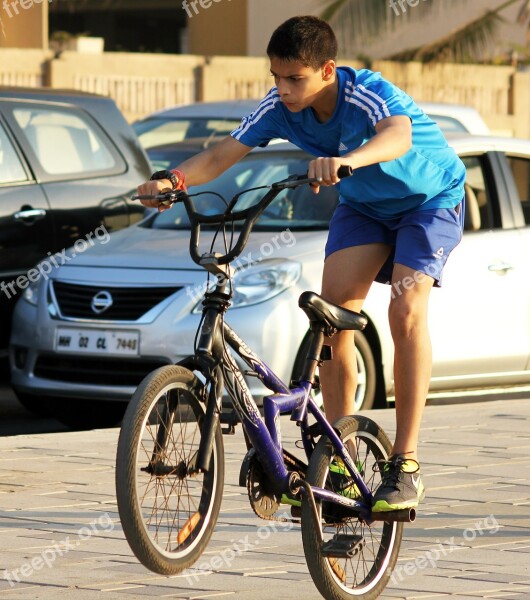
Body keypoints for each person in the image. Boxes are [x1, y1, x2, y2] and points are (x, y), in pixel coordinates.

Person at [137, 15, 466, 512]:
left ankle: (406, 464)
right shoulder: (279, 108)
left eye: (295, 79)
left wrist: (348, 160)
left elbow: (398, 136)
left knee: (405, 313)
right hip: (365, 208)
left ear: (328, 70)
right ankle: (340, 454)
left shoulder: (367, 93)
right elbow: (224, 153)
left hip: (428, 200)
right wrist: (171, 182)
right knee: (331, 320)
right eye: (276, 77)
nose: (283, 89)